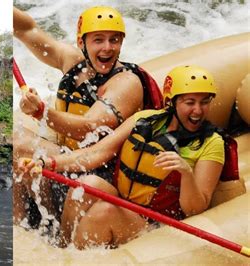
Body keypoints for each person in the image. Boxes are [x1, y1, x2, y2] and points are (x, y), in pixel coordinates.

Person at [19, 65, 225, 249]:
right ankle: (63, 248)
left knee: (104, 212)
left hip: (157, 221)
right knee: (85, 185)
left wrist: (185, 172)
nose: (198, 110)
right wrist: (46, 163)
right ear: (171, 102)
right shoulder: (145, 119)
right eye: (190, 102)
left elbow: (195, 209)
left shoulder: (212, 143)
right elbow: (97, 152)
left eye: (204, 102)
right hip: (127, 201)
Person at [13, 6, 161, 226]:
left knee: (25, 146)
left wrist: (40, 111)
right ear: (82, 43)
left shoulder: (127, 82)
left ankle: (53, 227)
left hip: (102, 170)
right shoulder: (71, 61)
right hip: (67, 157)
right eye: (98, 40)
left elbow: (88, 127)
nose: (107, 48)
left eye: (114, 40)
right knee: (15, 141)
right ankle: (21, 223)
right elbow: (26, 28)